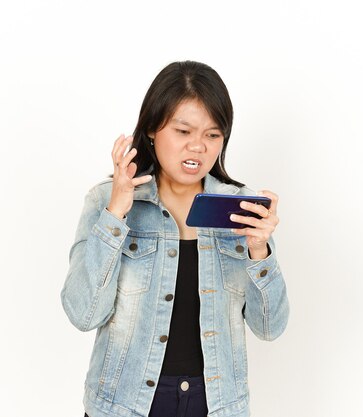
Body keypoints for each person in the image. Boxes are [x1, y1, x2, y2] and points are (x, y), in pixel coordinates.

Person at [61, 61, 289, 417]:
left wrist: (259, 251)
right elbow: (83, 313)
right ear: (152, 128)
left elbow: (271, 328)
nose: (198, 147)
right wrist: (115, 215)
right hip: (124, 405)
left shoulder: (240, 209)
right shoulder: (106, 201)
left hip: (215, 405)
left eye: (213, 135)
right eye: (184, 131)